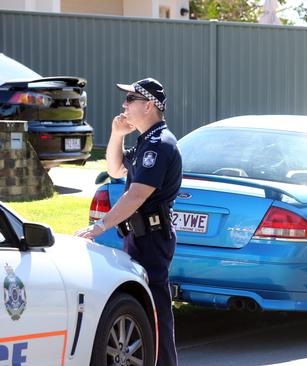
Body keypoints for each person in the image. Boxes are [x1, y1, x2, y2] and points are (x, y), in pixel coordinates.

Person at [76, 78, 182, 364]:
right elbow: (115, 168)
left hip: (152, 237)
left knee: (156, 310)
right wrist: (116, 134)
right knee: (145, 306)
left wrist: (100, 226)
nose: (124, 104)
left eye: (131, 99)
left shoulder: (159, 144)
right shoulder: (147, 141)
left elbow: (136, 195)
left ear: (148, 105)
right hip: (139, 235)